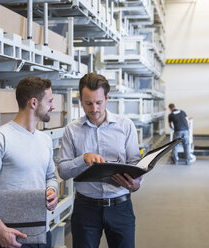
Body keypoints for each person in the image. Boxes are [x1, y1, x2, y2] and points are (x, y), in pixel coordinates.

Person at [0, 77, 59, 248]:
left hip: (41, 232)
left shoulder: (45, 140)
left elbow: (51, 176)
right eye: (50, 101)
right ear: (34, 103)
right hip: (9, 238)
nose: (53, 106)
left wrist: (52, 190)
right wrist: (0, 229)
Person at [58, 73, 142, 248]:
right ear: (80, 99)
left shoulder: (125, 126)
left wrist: (136, 183)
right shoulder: (71, 130)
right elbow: (63, 171)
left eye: (99, 102)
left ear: (107, 98)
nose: (94, 109)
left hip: (120, 206)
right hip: (85, 208)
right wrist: (83, 158)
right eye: (88, 103)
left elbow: (136, 163)